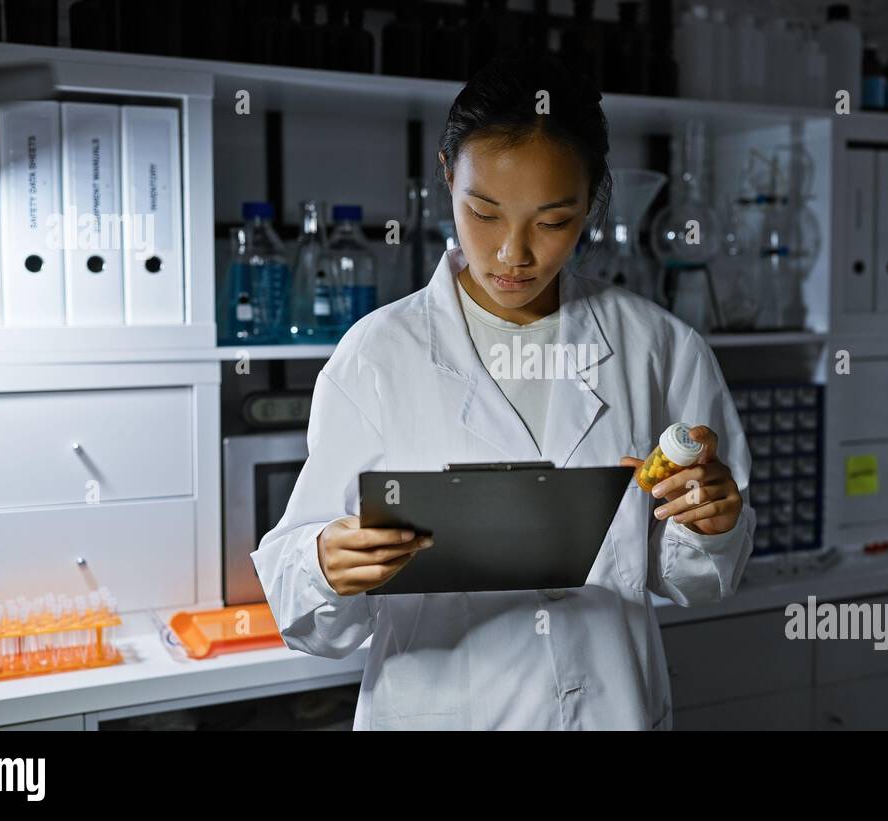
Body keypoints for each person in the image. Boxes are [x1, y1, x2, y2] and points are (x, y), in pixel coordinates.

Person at [252, 55, 755, 730]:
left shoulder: (659, 348)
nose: (512, 254)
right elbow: (306, 611)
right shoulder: (377, 355)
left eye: (553, 221)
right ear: (446, 177)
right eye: (483, 212)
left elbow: (697, 579)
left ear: (593, 201)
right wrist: (324, 561)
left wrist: (712, 522)